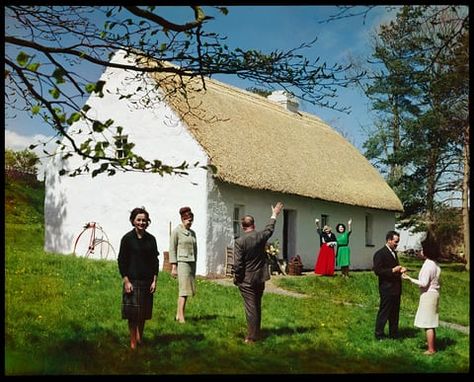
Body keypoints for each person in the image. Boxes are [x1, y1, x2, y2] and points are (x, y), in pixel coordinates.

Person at [233, 201, 284, 344]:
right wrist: (274, 214)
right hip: (260, 277)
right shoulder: (261, 236)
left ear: (243, 227)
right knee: (257, 305)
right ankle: (257, 332)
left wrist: (237, 278)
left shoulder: (240, 241)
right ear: (253, 225)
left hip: (247, 279)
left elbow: (238, 264)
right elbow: (270, 229)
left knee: (251, 308)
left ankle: (252, 337)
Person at [118, 207, 159, 350]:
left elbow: (155, 261)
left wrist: (155, 280)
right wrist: (126, 281)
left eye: (144, 220)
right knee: (133, 315)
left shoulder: (151, 239)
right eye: (139, 220)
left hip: (147, 281)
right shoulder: (127, 239)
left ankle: (140, 337)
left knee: (143, 314)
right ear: (133, 221)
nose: (142, 222)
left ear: (148, 222)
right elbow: (121, 261)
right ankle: (133, 342)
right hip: (132, 281)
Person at [402, 236, 441, 355]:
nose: (421, 251)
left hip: (428, 295)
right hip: (434, 294)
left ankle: (431, 349)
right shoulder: (435, 264)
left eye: (423, 249)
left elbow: (424, 283)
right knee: (431, 322)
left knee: (428, 323)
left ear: (427, 252)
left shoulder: (428, 265)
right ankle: (431, 345)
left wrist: (408, 278)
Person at [373, 230, 406, 340]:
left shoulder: (394, 253)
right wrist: (392, 270)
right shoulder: (380, 254)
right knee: (384, 311)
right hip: (386, 287)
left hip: (396, 287)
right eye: (395, 242)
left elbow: (395, 267)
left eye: (398, 242)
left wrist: (400, 270)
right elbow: (378, 271)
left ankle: (394, 333)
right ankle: (379, 334)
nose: (397, 244)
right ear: (389, 240)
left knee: (395, 312)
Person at [169, 206, 197, 324]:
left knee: (186, 290)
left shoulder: (192, 233)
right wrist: (174, 267)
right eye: (187, 220)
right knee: (183, 291)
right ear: (182, 219)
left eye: (191, 220)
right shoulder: (176, 231)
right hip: (182, 263)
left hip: (191, 263)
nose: (189, 222)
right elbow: (172, 249)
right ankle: (181, 316)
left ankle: (178, 314)